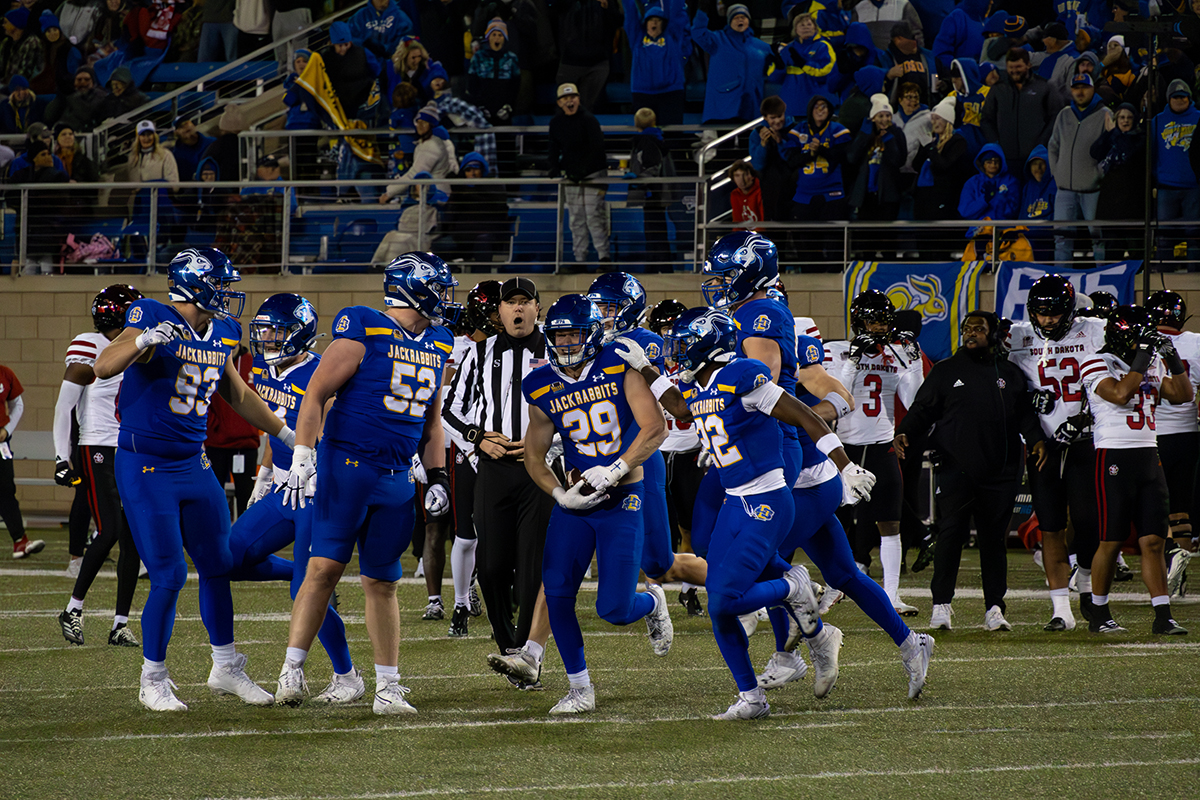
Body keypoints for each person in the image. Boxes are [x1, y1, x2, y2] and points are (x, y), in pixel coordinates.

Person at [646, 307, 884, 718]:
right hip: (734, 503)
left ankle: (794, 586)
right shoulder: (701, 384)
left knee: (724, 602)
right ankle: (752, 698)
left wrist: (846, 465)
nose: (679, 353)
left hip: (768, 502)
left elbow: (807, 416)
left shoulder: (742, 375)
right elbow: (682, 410)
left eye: (685, 344)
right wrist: (644, 369)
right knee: (718, 605)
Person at [93, 248, 293, 711]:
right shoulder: (152, 314)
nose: (226, 293)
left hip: (194, 462)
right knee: (169, 573)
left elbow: (237, 393)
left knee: (218, 563)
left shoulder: (222, 329)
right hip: (146, 464)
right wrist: (142, 341)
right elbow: (104, 367)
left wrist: (286, 433)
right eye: (220, 283)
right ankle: (153, 679)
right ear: (195, 283)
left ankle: (225, 667)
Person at [274, 253, 457, 715]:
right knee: (323, 569)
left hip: (396, 476)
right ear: (416, 288)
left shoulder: (439, 339)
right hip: (347, 467)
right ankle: (292, 669)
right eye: (438, 286)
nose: (444, 296)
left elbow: (432, 424)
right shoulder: (364, 325)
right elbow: (316, 393)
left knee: (383, 582)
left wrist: (437, 476)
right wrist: (303, 452)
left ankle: (387, 687)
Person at [520, 293, 674, 715]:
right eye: (559, 335)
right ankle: (578, 688)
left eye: (574, 334)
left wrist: (616, 468)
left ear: (592, 333)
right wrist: (558, 494)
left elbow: (655, 428)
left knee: (614, 609)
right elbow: (534, 456)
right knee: (557, 589)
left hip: (623, 494)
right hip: (577, 499)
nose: (567, 343)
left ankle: (653, 602)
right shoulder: (539, 382)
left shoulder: (618, 363)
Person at [212, 293, 363, 703]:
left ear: (300, 334)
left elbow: (328, 429)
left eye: (276, 331)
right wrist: (263, 474)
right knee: (224, 558)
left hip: (319, 491)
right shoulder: (264, 368)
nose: (267, 339)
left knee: (305, 590)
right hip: (283, 488)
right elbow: (275, 428)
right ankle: (290, 574)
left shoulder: (320, 372)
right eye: (261, 331)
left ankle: (346, 675)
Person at [895, 311, 1046, 631]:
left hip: (1001, 472)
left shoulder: (1009, 372)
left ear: (993, 334)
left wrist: (1036, 440)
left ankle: (994, 608)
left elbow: (1025, 416)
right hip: (955, 469)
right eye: (966, 328)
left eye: (979, 328)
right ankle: (941, 605)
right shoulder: (946, 370)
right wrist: (904, 430)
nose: (971, 333)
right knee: (950, 537)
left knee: (994, 542)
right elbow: (922, 409)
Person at [443, 277, 556, 688]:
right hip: (491, 469)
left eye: (526, 302)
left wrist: (546, 442)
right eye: (512, 303)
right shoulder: (479, 352)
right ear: (501, 311)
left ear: (537, 309)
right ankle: (508, 645)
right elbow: (450, 409)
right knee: (490, 568)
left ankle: (526, 656)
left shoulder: (555, 349)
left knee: (530, 568)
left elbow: (574, 406)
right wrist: (478, 441)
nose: (519, 309)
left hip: (538, 469)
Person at [587, 273, 708, 590]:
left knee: (658, 561)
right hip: (597, 454)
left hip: (639, 454)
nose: (601, 315)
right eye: (597, 307)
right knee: (600, 542)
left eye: (608, 308)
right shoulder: (588, 341)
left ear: (628, 308)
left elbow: (666, 395)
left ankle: (751, 584)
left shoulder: (647, 343)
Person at [1079, 306, 1190, 635]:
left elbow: (1184, 394)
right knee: (1111, 540)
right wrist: (1143, 356)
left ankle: (1163, 614)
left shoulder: (1151, 361)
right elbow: (1119, 393)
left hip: (1148, 455)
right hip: (1113, 454)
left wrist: (1171, 358)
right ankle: (1098, 612)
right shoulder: (1096, 361)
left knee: (1154, 540)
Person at [1006, 275, 1106, 630]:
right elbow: (999, 379)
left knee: (1089, 521)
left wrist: (1087, 414)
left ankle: (1086, 579)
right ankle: (1060, 609)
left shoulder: (1093, 329)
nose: (1047, 320)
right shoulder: (1017, 335)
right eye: (1041, 313)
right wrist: (1024, 398)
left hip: (1085, 439)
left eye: (1054, 313)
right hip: (1042, 445)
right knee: (1050, 525)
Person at [54, 286, 144, 648]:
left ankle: (120, 623)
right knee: (108, 531)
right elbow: (64, 408)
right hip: (96, 447)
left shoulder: (135, 348)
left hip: (130, 449)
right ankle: (73, 609)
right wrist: (62, 457)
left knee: (132, 538)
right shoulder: (89, 344)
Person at [826, 290, 924, 616]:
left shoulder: (894, 352)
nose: (879, 327)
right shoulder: (837, 350)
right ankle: (833, 584)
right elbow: (837, 396)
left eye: (883, 321)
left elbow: (913, 400)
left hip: (882, 445)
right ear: (859, 321)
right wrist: (854, 360)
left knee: (890, 525)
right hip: (844, 448)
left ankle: (892, 595)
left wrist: (912, 361)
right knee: (831, 519)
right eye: (872, 320)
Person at [645, 298, 706, 612]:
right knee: (656, 531)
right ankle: (655, 599)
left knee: (689, 528)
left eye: (675, 326)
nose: (671, 332)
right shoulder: (648, 364)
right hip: (656, 452)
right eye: (666, 326)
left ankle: (689, 589)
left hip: (689, 453)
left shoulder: (697, 362)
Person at [1143, 291, 1200, 599]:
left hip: (1150, 434)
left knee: (1155, 507)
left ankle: (1169, 561)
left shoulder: (1142, 343)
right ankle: (1181, 562)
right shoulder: (1196, 343)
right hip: (1188, 433)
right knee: (1181, 508)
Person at [1047, 74, 1109, 265]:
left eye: (1084, 87)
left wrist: (1098, 174)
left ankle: (1104, 276)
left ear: (1093, 89)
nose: (1080, 92)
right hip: (1065, 190)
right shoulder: (1064, 114)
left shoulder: (1105, 113)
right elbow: (1053, 146)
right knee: (1061, 238)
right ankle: (1062, 278)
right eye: (1076, 88)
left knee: (1099, 238)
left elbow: (1111, 149)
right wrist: (1057, 173)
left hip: (1093, 190)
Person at [547, 83, 609, 269]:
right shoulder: (556, 123)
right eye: (565, 99)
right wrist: (554, 167)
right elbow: (553, 147)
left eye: (572, 97)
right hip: (572, 177)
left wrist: (583, 170)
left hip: (593, 175)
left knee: (593, 216)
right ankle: (580, 259)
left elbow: (597, 148)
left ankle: (604, 258)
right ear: (559, 103)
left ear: (579, 99)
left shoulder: (589, 120)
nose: (569, 101)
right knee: (576, 219)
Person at [785, 93, 850, 266]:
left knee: (834, 240)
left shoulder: (836, 129)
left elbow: (844, 156)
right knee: (806, 241)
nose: (820, 110)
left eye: (824, 106)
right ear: (810, 109)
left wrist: (821, 150)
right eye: (816, 106)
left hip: (832, 193)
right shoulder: (799, 130)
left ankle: (834, 275)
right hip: (804, 194)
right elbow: (791, 160)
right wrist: (810, 154)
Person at [982, 48, 1062, 173]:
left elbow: (1055, 118)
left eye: (1018, 66)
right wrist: (995, 142)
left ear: (1028, 65)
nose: (1014, 71)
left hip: (1035, 158)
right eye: (1010, 67)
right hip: (1005, 158)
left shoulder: (1044, 87)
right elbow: (986, 118)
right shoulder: (998, 89)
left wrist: (1041, 143)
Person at [691, 4, 773, 124]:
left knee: (748, 141)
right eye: (736, 17)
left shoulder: (760, 45)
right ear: (729, 21)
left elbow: (776, 65)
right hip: (723, 102)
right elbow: (698, 33)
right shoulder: (717, 39)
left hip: (750, 104)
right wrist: (702, 12)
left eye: (743, 17)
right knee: (725, 140)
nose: (740, 20)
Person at [848, 95, 907, 255]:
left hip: (888, 196)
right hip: (866, 197)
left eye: (888, 115)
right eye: (880, 116)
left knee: (888, 241)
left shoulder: (896, 133)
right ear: (873, 118)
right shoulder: (865, 134)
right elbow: (851, 157)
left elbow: (898, 160)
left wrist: (888, 138)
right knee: (866, 242)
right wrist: (865, 134)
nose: (885, 119)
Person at [1153, 81, 1199, 271]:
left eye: (1183, 96)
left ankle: (1195, 272)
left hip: (1194, 187)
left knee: (1194, 234)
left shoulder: (1198, 117)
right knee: (1164, 235)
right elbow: (1152, 151)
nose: (1180, 100)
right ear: (1168, 99)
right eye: (1176, 96)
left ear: (1189, 98)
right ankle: (1165, 273)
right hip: (1166, 186)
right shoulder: (1157, 120)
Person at [1091, 103, 1145, 261]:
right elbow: (1094, 152)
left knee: (1136, 252)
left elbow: (1128, 153)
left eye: (1129, 117)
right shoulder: (1111, 137)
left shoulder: (1140, 138)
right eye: (1121, 117)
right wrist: (1108, 134)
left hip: (1133, 209)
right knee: (1112, 252)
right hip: (1111, 208)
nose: (1125, 121)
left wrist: (1115, 133)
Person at [0, 362, 42, 559]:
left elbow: (18, 404)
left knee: (6, 490)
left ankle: (20, 542)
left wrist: (7, 430)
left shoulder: (5, 373)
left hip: (1, 445)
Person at [624, 0, 688, 125]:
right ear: (645, 23)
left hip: (671, 92)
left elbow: (677, 14)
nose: (654, 22)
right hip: (642, 92)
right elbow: (630, 12)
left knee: (672, 136)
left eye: (658, 20)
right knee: (646, 135)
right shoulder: (637, 37)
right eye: (650, 19)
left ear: (663, 24)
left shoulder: (672, 37)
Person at [441, 151, 511, 264]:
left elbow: (499, 216)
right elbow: (449, 217)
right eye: (468, 170)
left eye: (476, 169)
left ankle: (483, 280)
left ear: (482, 170)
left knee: (483, 241)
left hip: (486, 235)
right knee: (440, 245)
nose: (472, 173)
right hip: (462, 237)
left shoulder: (493, 188)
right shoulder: (459, 191)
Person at [554, 0, 623, 113]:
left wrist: (607, 7)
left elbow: (618, 22)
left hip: (598, 63)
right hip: (570, 61)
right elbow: (555, 9)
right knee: (565, 109)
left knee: (593, 109)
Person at [381, 105, 458, 203]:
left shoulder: (430, 146)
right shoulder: (442, 141)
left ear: (431, 125)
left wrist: (389, 192)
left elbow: (414, 174)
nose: (420, 126)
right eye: (418, 122)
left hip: (434, 197)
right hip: (442, 194)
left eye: (424, 122)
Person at [628, 107, 674, 268]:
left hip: (652, 192)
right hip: (657, 192)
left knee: (654, 230)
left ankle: (657, 266)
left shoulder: (646, 141)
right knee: (657, 229)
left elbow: (650, 168)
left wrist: (637, 180)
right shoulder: (657, 138)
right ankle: (660, 265)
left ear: (636, 124)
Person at [372, 170, 447, 264]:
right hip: (404, 233)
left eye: (425, 184)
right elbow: (400, 224)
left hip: (422, 237)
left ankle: (392, 266)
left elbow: (433, 227)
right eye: (419, 184)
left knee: (401, 241)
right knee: (390, 236)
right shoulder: (408, 205)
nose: (422, 187)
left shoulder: (435, 206)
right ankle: (377, 264)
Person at [775, 11, 835, 119]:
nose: (806, 27)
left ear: (815, 28)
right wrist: (777, 65)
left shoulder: (823, 46)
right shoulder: (788, 48)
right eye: (802, 25)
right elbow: (775, 78)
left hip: (815, 104)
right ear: (796, 30)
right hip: (791, 103)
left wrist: (805, 64)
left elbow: (826, 73)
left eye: (809, 24)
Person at [749, 95, 797, 224]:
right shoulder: (756, 133)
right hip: (769, 186)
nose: (777, 121)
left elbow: (793, 159)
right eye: (772, 118)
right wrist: (763, 145)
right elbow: (757, 165)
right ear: (765, 118)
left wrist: (780, 142)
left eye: (780, 116)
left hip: (793, 183)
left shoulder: (794, 129)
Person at [321, 21, 380, 121]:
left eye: (346, 44)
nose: (343, 48)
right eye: (339, 45)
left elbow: (377, 71)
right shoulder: (326, 58)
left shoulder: (362, 53)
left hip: (362, 103)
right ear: (332, 43)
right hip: (339, 105)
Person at [467, 19, 520, 124]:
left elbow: (515, 85)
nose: (497, 38)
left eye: (500, 35)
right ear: (488, 37)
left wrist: (509, 106)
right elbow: (472, 84)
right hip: (483, 108)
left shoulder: (511, 58)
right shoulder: (478, 57)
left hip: (504, 108)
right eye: (494, 34)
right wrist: (479, 106)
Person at [44, 65, 106, 132]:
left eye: (87, 79)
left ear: (93, 82)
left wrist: (72, 98)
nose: (82, 82)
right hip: (62, 132)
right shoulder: (67, 95)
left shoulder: (100, 96)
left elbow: (86, 116)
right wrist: (60, 96)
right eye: (79, 80)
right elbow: (49, 116)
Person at [347, 0, 413, 61]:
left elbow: (406, 43)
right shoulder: (360, 17)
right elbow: (348, 38)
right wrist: (365, 45)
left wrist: (384, 49)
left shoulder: (401, 18)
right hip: (365, 66)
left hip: (392, 67)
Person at [0, 7, 43, 86]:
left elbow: (24, 73)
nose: (3, 25)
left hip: (23, 88)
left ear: (15, 24)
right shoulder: (6, 42)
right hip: (5, 83)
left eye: (6, 22)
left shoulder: (31, 43)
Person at [171, 117, 215, 191]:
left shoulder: (212, 143)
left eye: (187, 122)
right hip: (188, 193)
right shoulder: (176, 154)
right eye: (182, 126)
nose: (186, 126)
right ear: (177, 132)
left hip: (213, 190)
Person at [729, 159, 763, 232]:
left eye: (745, 175)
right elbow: (737, 221)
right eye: (737, 175)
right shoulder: (735, 194)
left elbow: (763, 221)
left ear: (752, 176)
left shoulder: (760, 191)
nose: (741, 179)